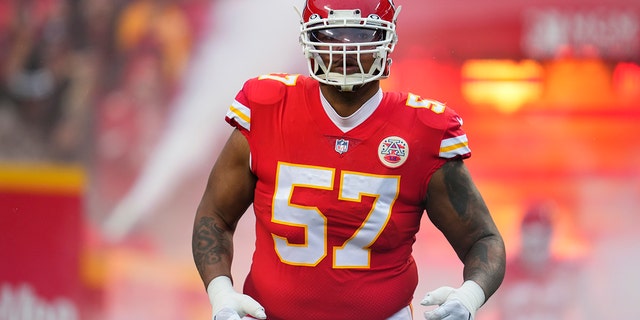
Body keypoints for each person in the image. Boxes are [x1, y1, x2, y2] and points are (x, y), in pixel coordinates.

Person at [191, 1, 506, 319]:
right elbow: (215, 217)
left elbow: (482, 238)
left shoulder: (425, 131)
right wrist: (221, 293)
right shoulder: (267, 107)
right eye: (331, 35)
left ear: (388, 40)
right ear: (309, 41)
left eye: (361, 35)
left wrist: (469, 296)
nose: (345, 49)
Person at [492, 202, 590, 320]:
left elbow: (590, 311)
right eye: (531, 235)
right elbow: (475, 311)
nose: (536, 241)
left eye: (541, 235)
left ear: (550, 236)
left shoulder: (567, 273)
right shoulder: (501, 273)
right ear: (521, 235)